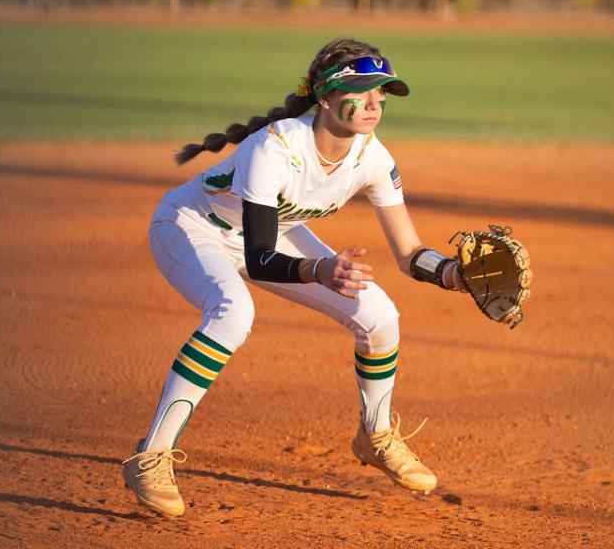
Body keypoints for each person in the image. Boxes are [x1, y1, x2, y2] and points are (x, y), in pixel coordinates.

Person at [122, 38, 467, 518]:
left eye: (382, 92)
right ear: (325, 98)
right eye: (362, 90)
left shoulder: (374, 158)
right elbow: (260, 259)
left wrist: (454, 274)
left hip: (271, 234)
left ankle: (375, 434)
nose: (375, 103)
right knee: (233, 311)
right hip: (192, 226)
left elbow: (409, 253)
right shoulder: (277, 147)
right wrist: (319, 269)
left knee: (380, 316)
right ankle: (151, 457)